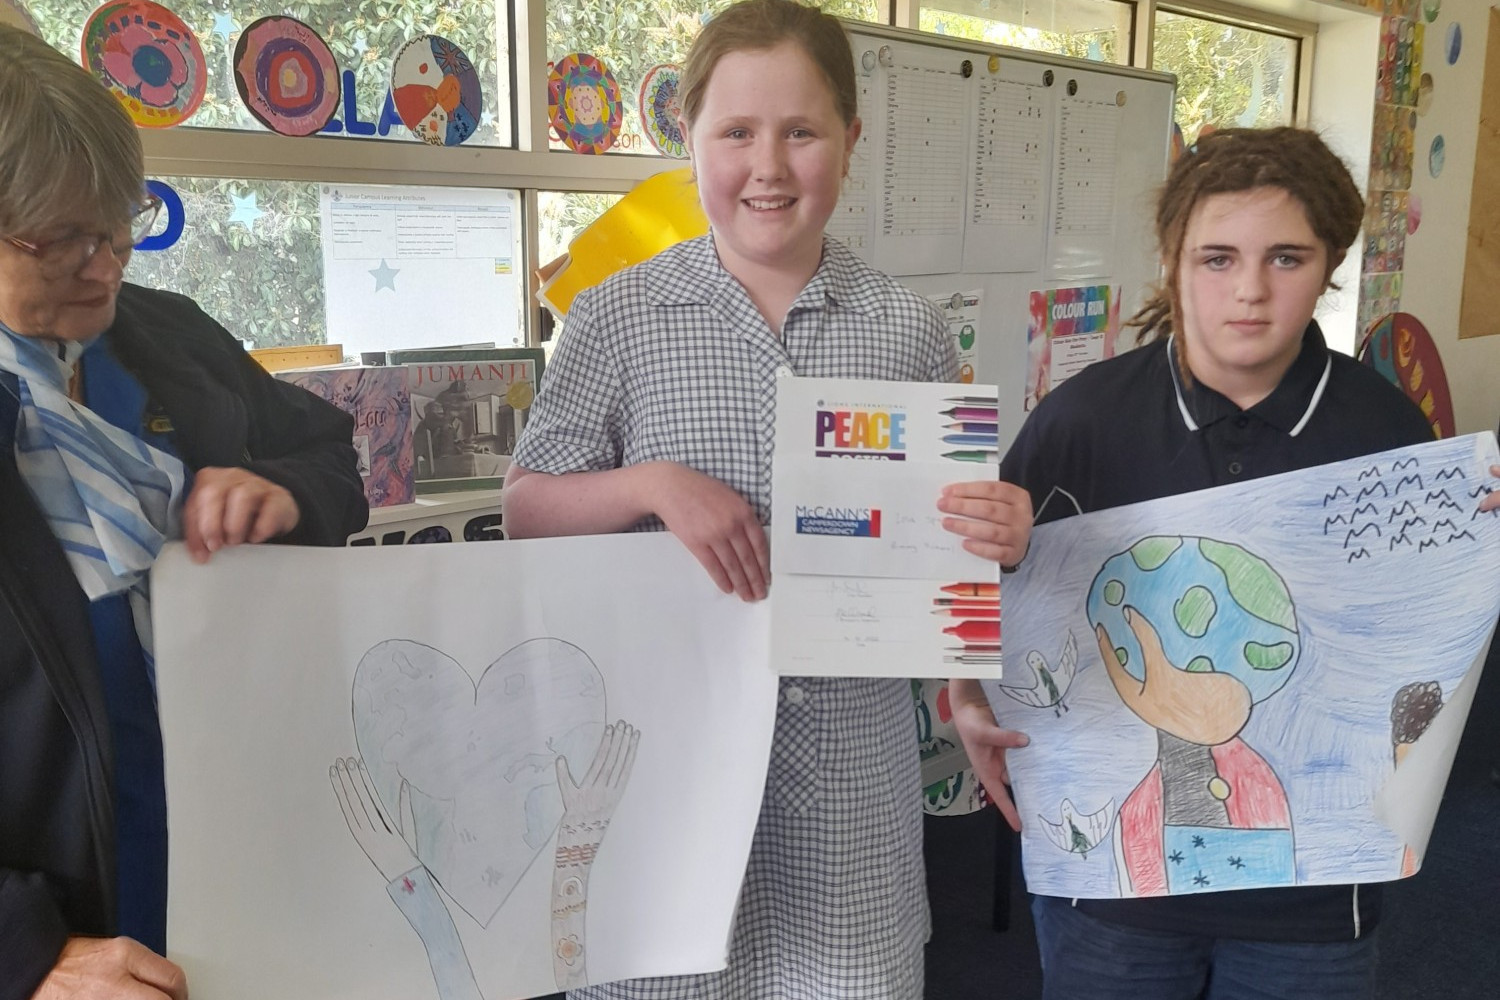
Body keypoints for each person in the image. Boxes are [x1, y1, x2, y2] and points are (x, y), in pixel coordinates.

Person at [503, 1, 1030, 995]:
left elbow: (942, 554)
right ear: (688, 140)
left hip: (848, 790)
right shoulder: (618, 316)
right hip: (664, 776)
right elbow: (527, 506)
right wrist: (652, 485)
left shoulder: (906, 331)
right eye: (736, 133)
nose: (770, 166)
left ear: (852, 139)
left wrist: (966, 680)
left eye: (802, 131)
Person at [949, 126, 1476, 999]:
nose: (1250, 293)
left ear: (1332, 260)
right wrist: (965, 697)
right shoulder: (1080, 423)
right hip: (1114, 895)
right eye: (1217, 259)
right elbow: (986, 593)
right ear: (1171, 258)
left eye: (1287, 259)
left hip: (1312, 898)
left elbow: (1420, 650)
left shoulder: (1386, 437)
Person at [0, 24, 368, 1000]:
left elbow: (331, 459)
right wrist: (26, 952)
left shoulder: (168, 337)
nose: (105, 264)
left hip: (253, 862)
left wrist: (282, 492)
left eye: (120, 223)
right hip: (72, 933)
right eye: (62, 239)